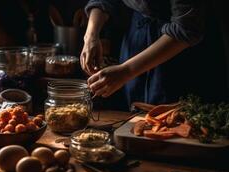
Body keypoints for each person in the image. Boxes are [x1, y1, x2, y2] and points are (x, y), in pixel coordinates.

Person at [81, 0, 227, 109]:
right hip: (139, 33)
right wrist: (91, 35)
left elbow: (187, 28)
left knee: (179, 121)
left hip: (183, 49)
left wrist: (126, 70)